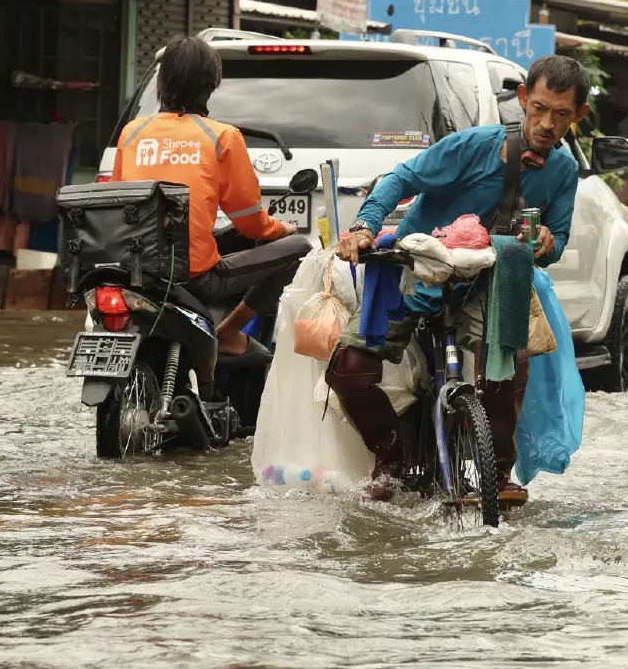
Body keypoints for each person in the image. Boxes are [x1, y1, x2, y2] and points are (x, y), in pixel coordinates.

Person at [327, 54, 590, 506]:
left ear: (579, 115)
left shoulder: (564, 171)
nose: (547, 124)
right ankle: (390, 459)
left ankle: (498, 473)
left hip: (488, 281)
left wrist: (548, 242)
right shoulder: (474, 145)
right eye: (540, 109)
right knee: (348, 370)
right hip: (419, 270)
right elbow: (402, 178)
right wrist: (365, 226)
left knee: (511, 359)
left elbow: (558, 240)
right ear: (523, 99)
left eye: (561, 114)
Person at [111, 35, 312, 356]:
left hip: (134, 271)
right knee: (300, 250)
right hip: (194, 278)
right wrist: (281, 229)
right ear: (211, 83)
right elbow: (250, 223)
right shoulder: (222, 137)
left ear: (162, 81)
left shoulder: (131, 132)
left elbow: (117, 202)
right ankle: (228, 333)